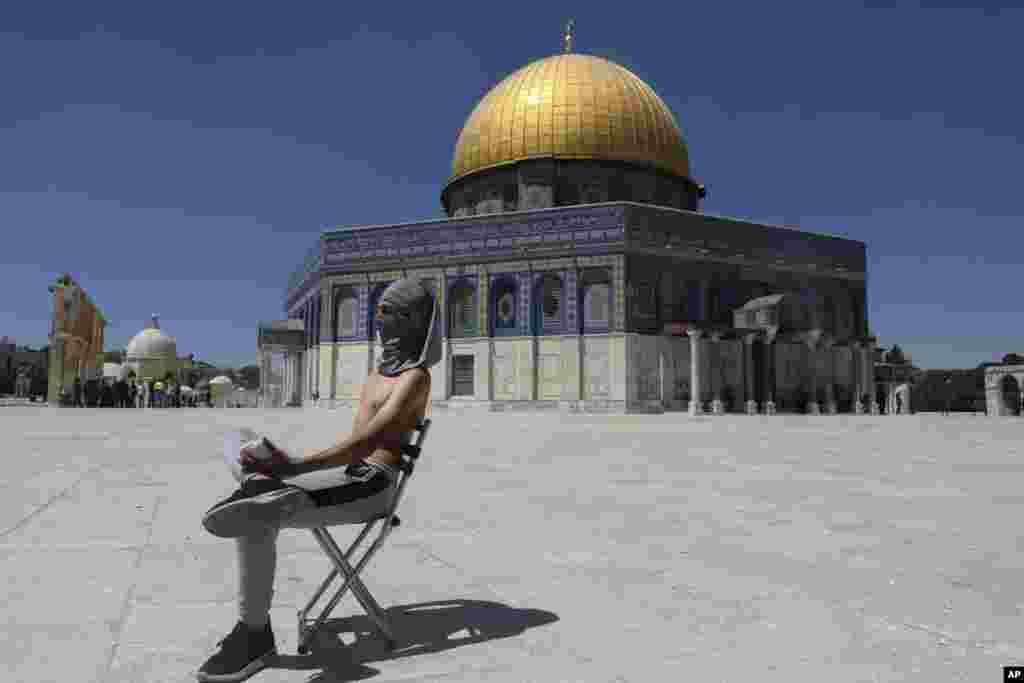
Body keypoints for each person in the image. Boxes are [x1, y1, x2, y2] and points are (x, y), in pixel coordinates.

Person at [196, 278, 440, 682]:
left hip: (371, 487)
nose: (377, 322)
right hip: (347, 476)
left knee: (257, 515)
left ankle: (253, 634)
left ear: (411, 321)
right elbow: (352, 445)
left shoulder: (415, 377)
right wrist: (282, 463)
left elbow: (367, 442)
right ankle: (260, 487)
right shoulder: (379, 373)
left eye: (386, 313)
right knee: (235, 441)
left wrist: (295, 467)